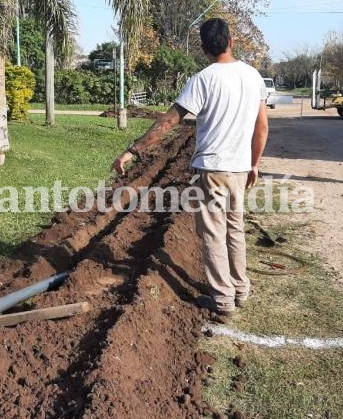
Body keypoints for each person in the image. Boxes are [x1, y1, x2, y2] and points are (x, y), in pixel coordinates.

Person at [113, 18, 268, 319]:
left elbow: (170, 121)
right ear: (231, 42)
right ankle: (241, 288)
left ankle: (222, 299)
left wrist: (132, 150)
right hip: (238, 169)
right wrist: (254, 164)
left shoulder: (203, 79)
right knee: (235, 229)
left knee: (213, 232)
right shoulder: (254, 77)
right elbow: (262, 127)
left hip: (211, 169)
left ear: (203, 47)